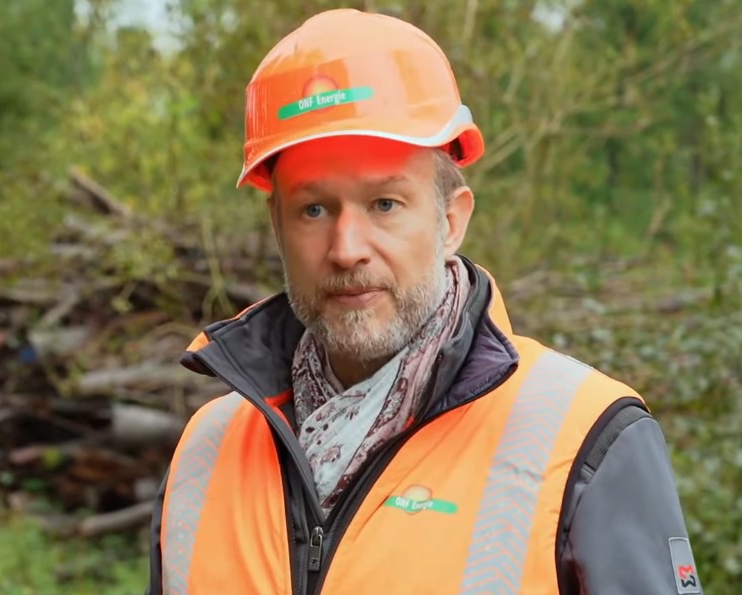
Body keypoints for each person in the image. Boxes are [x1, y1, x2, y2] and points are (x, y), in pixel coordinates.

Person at [144, 8, 701, 595]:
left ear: (451, 220)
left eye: (384, 204)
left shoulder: (586, 439)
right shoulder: (204, 455)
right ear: (277, 227)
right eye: (313, 209)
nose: (346, 248)